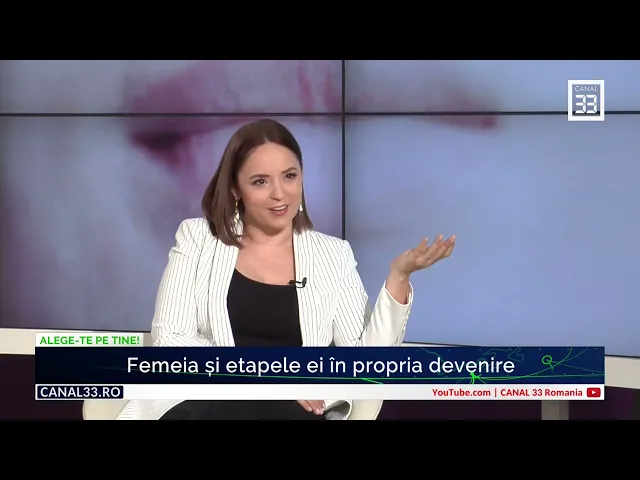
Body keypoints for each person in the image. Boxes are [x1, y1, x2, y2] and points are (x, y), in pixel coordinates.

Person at [116, 118, 455, 420]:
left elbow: (363, 364)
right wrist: (269, 378)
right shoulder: (199, 238)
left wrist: (398, 276)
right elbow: (171, 339)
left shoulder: (332, 255)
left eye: (289, 176)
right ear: (235, 189)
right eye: (260, 182)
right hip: (206, 396)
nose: (279, 194)